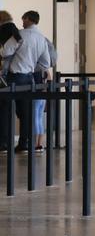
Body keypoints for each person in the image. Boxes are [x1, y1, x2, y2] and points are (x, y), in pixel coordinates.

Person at [1, 11, 50, 153]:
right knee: (25, 112)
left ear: (28, 19)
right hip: (29, 78)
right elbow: (45, 62)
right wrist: (32, 66)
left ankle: (4, 143)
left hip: (15, 77)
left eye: (23, 19)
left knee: (6, 109)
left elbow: (6, 52)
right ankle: (24, 144)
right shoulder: (42, 38)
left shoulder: (20, 34)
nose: (22, 21)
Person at [22, 11, 56, 153]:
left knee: (34, 114)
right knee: (40, 116)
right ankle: (39, 143)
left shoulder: (33, 66)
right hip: (43, 88)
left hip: (35, 86)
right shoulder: (43, 40)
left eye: (23, 19)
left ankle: (35, 143)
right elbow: (48, 72)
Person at [0, 21, 22, 153]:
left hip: (6, 82)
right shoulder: (18, 40)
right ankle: (6, 142)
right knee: (8, 112)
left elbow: (5, 63)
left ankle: (4, 142)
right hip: (14, 81)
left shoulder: (8, 46)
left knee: (4, 112)